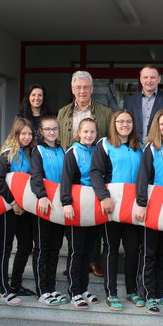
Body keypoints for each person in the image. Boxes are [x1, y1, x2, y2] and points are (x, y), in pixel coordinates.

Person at [57, 70, 113, 277]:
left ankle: (94, 261)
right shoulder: (63, 112)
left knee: (95, 219)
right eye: (78, 87)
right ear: (72, 89)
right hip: (72, 169)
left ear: (91, 89)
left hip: (96, 168)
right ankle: (75, 260)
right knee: (75, 217)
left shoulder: (105, 112)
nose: (82, 91)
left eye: (85, 87)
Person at [91, 109, 143, 311]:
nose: (124, 125)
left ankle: (132, 291)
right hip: (111, 206)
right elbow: (96, 173)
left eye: (128, 121)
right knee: (111, 249)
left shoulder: (139, 147)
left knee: (133, 250)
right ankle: (111, 293)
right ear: (114, 123)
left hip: (133, 208)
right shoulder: (104, 144)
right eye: (120, 121)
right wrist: (103, 197)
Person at [135, 109, 163, 314]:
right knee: (149, 253)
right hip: (152, 208)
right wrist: (141, 203)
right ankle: (148, 295)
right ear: (156, 126)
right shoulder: (150, 149)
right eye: (162, 124)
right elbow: (142, 179)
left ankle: (160, 293)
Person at [0, 119, 35, 306]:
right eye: (23, 133)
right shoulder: (7, 154)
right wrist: (13, 202)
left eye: (29, 134)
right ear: (16, 134)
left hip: (25, 209)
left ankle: (16, 284)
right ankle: (3, 289)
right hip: (7, 208)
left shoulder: (32, 153)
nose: (26, 137)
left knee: (26, 245)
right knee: (6, 247)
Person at [60, 118, 100, 309]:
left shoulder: (98, 150)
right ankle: (74, 291)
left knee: (88, 251)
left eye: (92, 132)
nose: (89, 135)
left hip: (92, 208)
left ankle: (84, 288)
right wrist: (66, 203)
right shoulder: (72, 152)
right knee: (76, 250)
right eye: (85, 132)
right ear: (79, 132)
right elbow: (65, 180)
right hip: (75, 207)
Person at [29, 116, 68, 305]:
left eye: (54, 129)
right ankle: (42, 290)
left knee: (54, 249)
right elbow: (35, 175)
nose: (52, 132)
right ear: (41, 132)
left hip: (59, 207)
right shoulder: (38, 150)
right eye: (47, 129)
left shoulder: (62, 150)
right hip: (44, 206)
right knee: (42, 249)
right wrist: (41, 196)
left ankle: (51, 287)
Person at [124, 65, 163, 144]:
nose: (149, 80)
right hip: (135, 148)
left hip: (160, 149)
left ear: (159, 79)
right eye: (145, 77)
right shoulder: (129, 101)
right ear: (140, 79)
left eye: (153, 77)